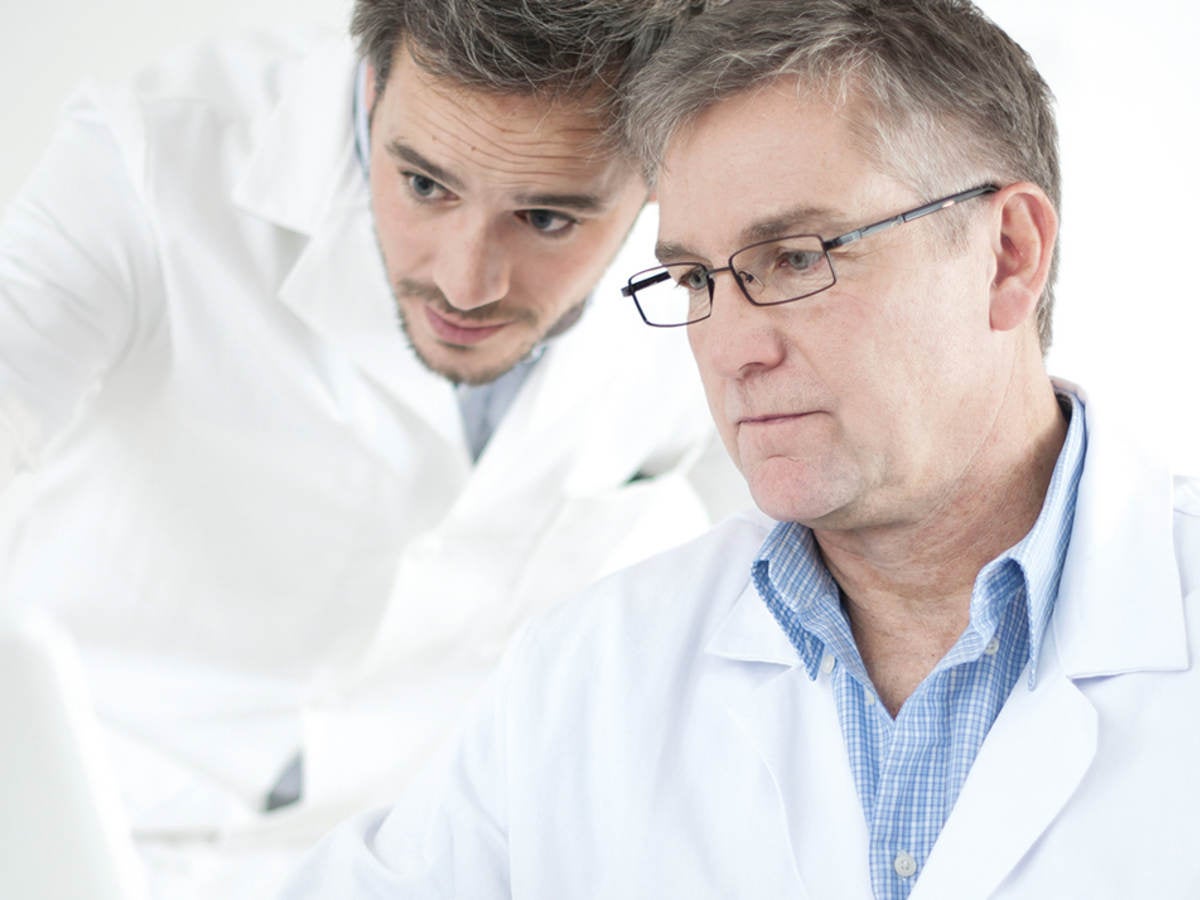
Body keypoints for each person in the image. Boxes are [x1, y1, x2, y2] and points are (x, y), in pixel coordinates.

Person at [280, 0, 1200, 897]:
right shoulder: (589, 673)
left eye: (797, 258)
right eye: (693, 279)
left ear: (1008, 252)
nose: (729, 347)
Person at [0, 0, 746, 895]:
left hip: (410, 853)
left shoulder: (731, 249)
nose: (464, 282)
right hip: (79, 818)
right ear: (370, 84)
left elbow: (758, 569)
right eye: (425, 185)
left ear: (664, 168)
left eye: (547, 218)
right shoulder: (152, 157)